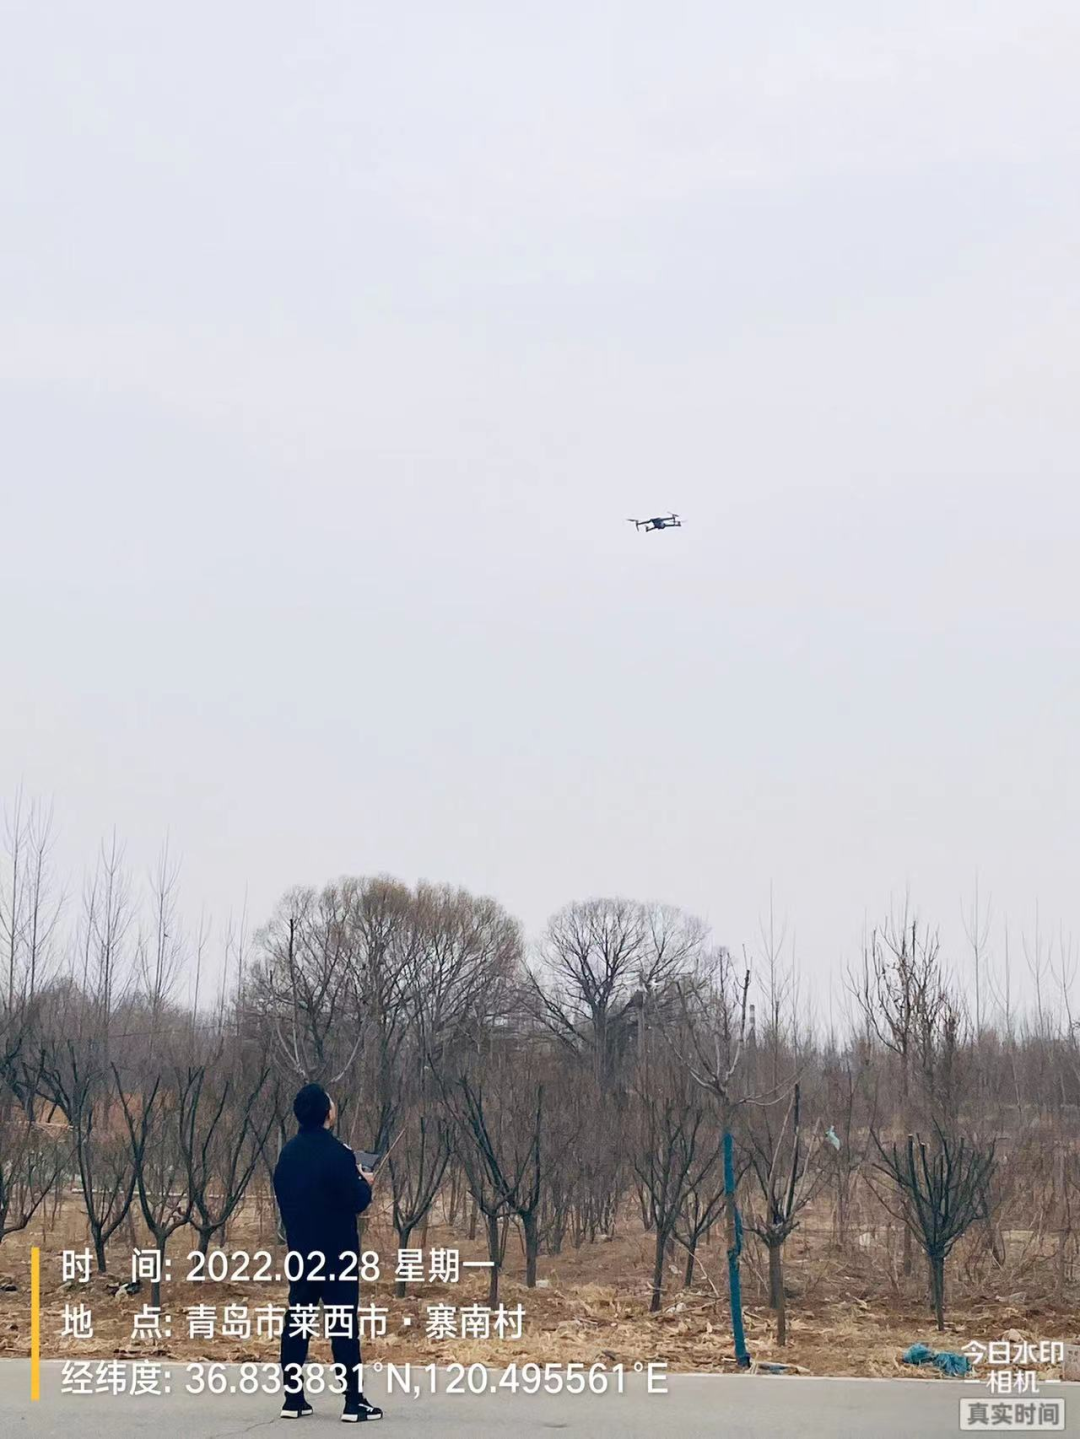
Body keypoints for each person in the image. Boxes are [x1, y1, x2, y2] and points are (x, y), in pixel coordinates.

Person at [272, 1082, 383, 1422]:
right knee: (342, 1324)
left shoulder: (286, 1155)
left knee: (298, 1320)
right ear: (327, 1113)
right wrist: (366, 1182)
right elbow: (357, 1201)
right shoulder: (340, 1154)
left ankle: (293, 1399)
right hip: (338, 1253)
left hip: (302, 1252)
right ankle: (353, 1401)